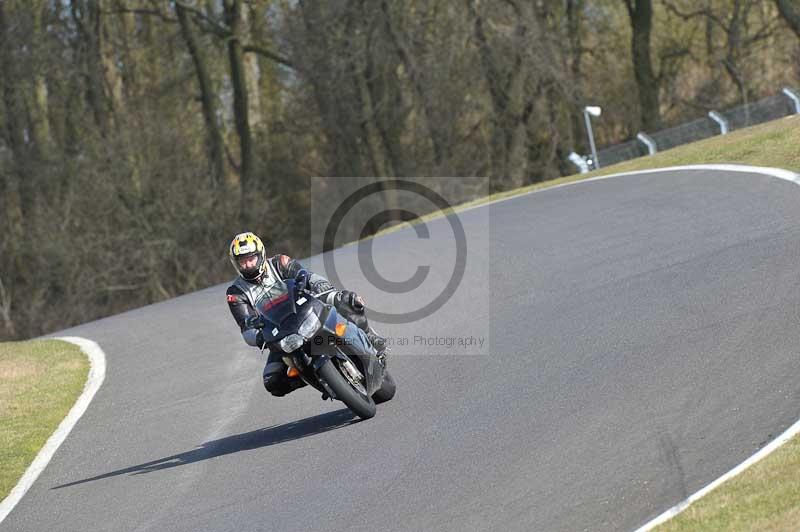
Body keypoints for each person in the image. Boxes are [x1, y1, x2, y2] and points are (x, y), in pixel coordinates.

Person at [225, 231, 386, 397]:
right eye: (243, 262)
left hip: (308, 306)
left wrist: (320, 285)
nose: (248, 265)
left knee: (348, 300)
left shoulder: (280, 263)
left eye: (251, 258)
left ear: (261, 255)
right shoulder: (236, 293)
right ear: (236, 264)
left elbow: (307, 276)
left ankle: (369, 336)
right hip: (280, 333)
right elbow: (246, 327)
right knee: (272, 381)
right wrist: (258, 336)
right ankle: (318, 377)